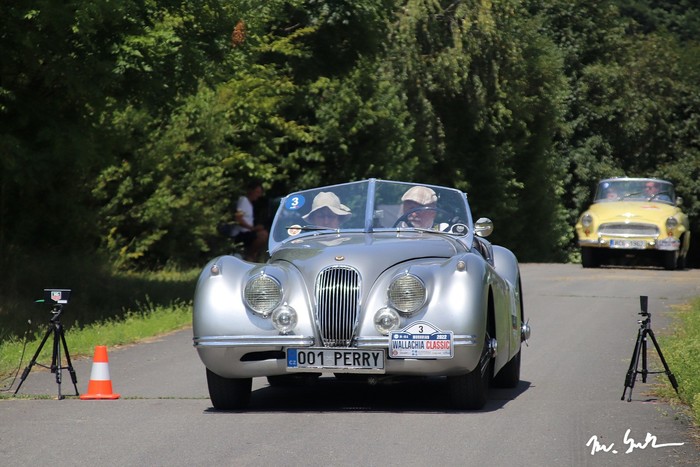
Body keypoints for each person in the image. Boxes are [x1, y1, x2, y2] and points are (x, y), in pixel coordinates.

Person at [232, 181, 269, 262]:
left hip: (248, 232)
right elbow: (238, 218)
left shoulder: (250, 204)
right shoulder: (243, 200)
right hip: (242, 233)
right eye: (257, 192)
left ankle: (256, 255)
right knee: (263, 235)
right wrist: (252, 228)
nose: (258, 195)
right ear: (250, 191)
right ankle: (249, 255)